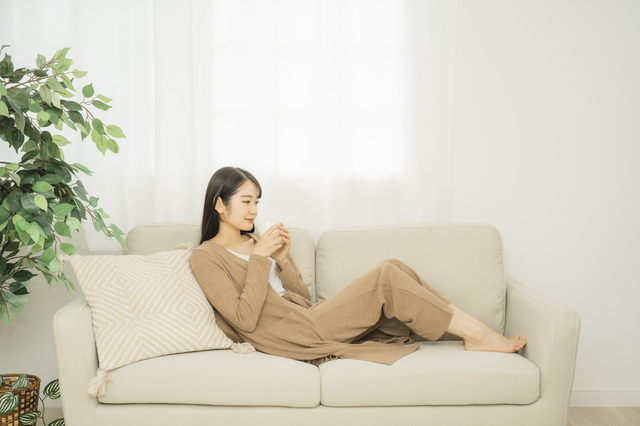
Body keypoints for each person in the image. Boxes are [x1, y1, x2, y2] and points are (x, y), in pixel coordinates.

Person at [189, 166, 527, 366]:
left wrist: (282, 262)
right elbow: (244, 319)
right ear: (219, 204)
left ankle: (476, 335)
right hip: (290, 336)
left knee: (393, 265)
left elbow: (301, 299)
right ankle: (480, 334)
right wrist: (260, 260)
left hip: (309, 319)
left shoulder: (255, 241)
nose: (254, 211)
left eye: (257, 202)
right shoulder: (205, 256)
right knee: (386, 276)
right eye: (246, 202)